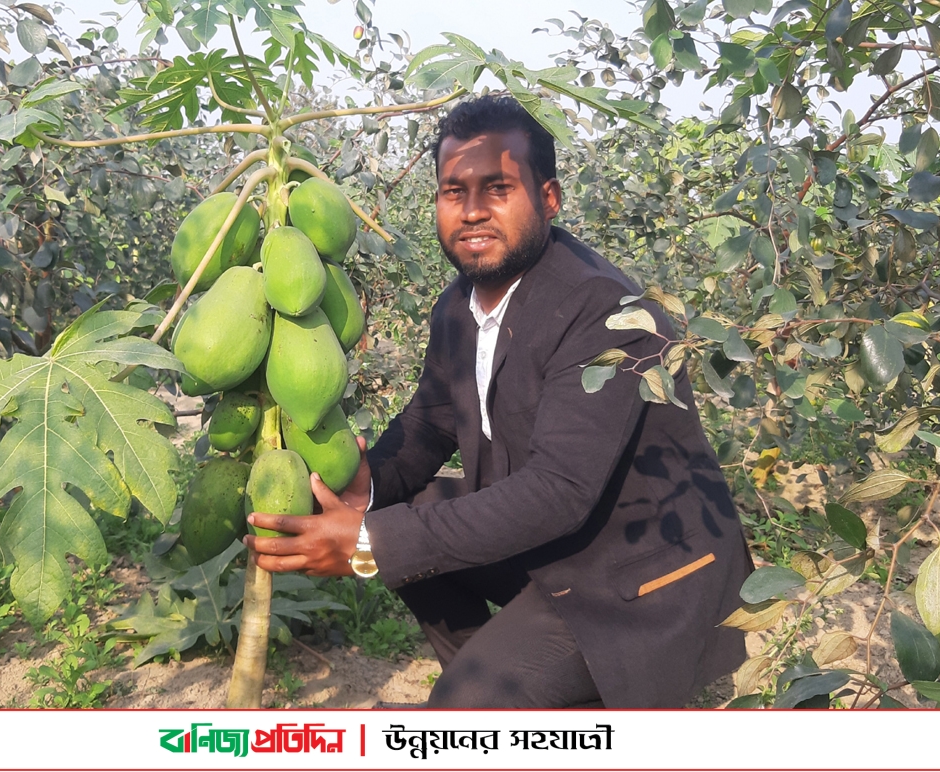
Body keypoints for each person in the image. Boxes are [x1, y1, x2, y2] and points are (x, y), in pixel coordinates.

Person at [245, 95, 752, 708]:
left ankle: (493, 701)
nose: (473, 211)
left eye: (498, 188)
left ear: (549, 197)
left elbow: (557, 491)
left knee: (446, 667)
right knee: (414, 509)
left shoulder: (606, 313)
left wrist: (371, 541)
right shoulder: (461, 304)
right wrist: (368, 491)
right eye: (454, 191)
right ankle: (501, 692)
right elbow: (430, 422)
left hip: (635, 574)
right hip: (563, 543)